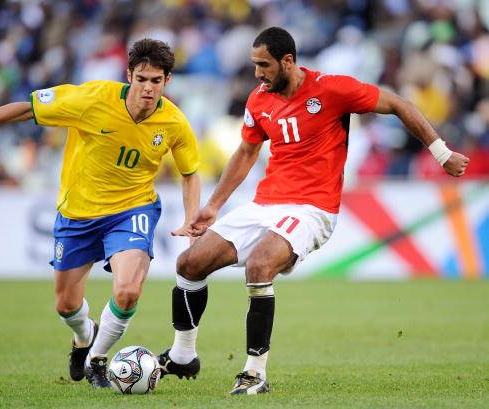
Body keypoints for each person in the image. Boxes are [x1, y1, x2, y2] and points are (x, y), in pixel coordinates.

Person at [157, 27, 470, 395]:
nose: (257, 74)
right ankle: (182, 355)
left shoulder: (333, 89)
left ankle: (254, 373)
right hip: (265, 204)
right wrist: (213, 205)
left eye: (264, 65)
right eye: (255, 65)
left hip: (312, 209)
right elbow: (246, 153)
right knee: (189, 264)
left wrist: (441, 153)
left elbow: (399, 104)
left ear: (287, 61)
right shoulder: (259, 99)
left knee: (260, 266)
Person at [0, 39, 200, 388]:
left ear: (167, 82)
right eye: (142, 79)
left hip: (133, 209)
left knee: (128, 290)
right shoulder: (91, 99)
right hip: (78, 214)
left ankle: (97, 360)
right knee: (66, 304)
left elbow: (190, 172)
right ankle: (84, 336)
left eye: (156, 81)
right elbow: (28, 108)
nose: (148, 88)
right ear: (128, 75)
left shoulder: (174, 122)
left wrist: (192, 217)